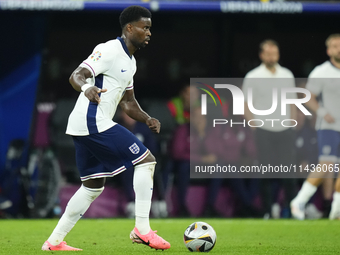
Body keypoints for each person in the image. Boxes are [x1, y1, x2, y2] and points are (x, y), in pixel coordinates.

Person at [41, 6, 170, 251]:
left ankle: (54, 242)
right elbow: (77, 75)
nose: (148, 32)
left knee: (92, 186)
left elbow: (129, 103)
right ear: (129, 28)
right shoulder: (109, 49)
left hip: (84, 126)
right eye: (145, 27)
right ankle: (142, 229)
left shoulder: (130, 62)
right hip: (93, 122)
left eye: (150, 28)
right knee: (146, 161)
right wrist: (86, 88)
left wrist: (147, 118)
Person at [242, 39, 297, 219]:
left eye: (275, 52)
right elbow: (245, 104)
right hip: (263, 129)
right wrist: (255, 126)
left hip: (285, 129)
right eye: (268, 53)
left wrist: (293, 123)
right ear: (261, 55)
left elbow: (292, 102)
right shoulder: (253, 76)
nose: (272, 56)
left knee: (289, 173)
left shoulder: (287, 75)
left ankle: (291, 211)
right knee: (265, 172)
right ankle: (266, 210)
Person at [290, 34, 340, 220]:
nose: (339, 49)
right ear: (329, 51)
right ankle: (299, 201)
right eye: (335, 46)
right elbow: (307, 96)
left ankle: (337, 208)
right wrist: (322, 112)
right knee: (326, 164)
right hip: (328, 126)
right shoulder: (321, 71)